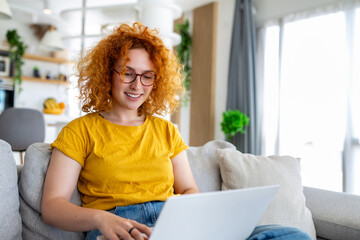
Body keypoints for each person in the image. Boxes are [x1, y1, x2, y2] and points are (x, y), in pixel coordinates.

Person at [42, 22, 311, 240]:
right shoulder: (80, 130)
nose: (138, 85)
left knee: (291, 235)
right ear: (107, 73)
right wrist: (101, 218)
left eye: (147, 75)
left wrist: (192, 218)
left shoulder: (166, 130)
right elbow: (52, 206)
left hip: (174, 226)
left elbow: (188, 189)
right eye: (127, 73)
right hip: (119, 229)